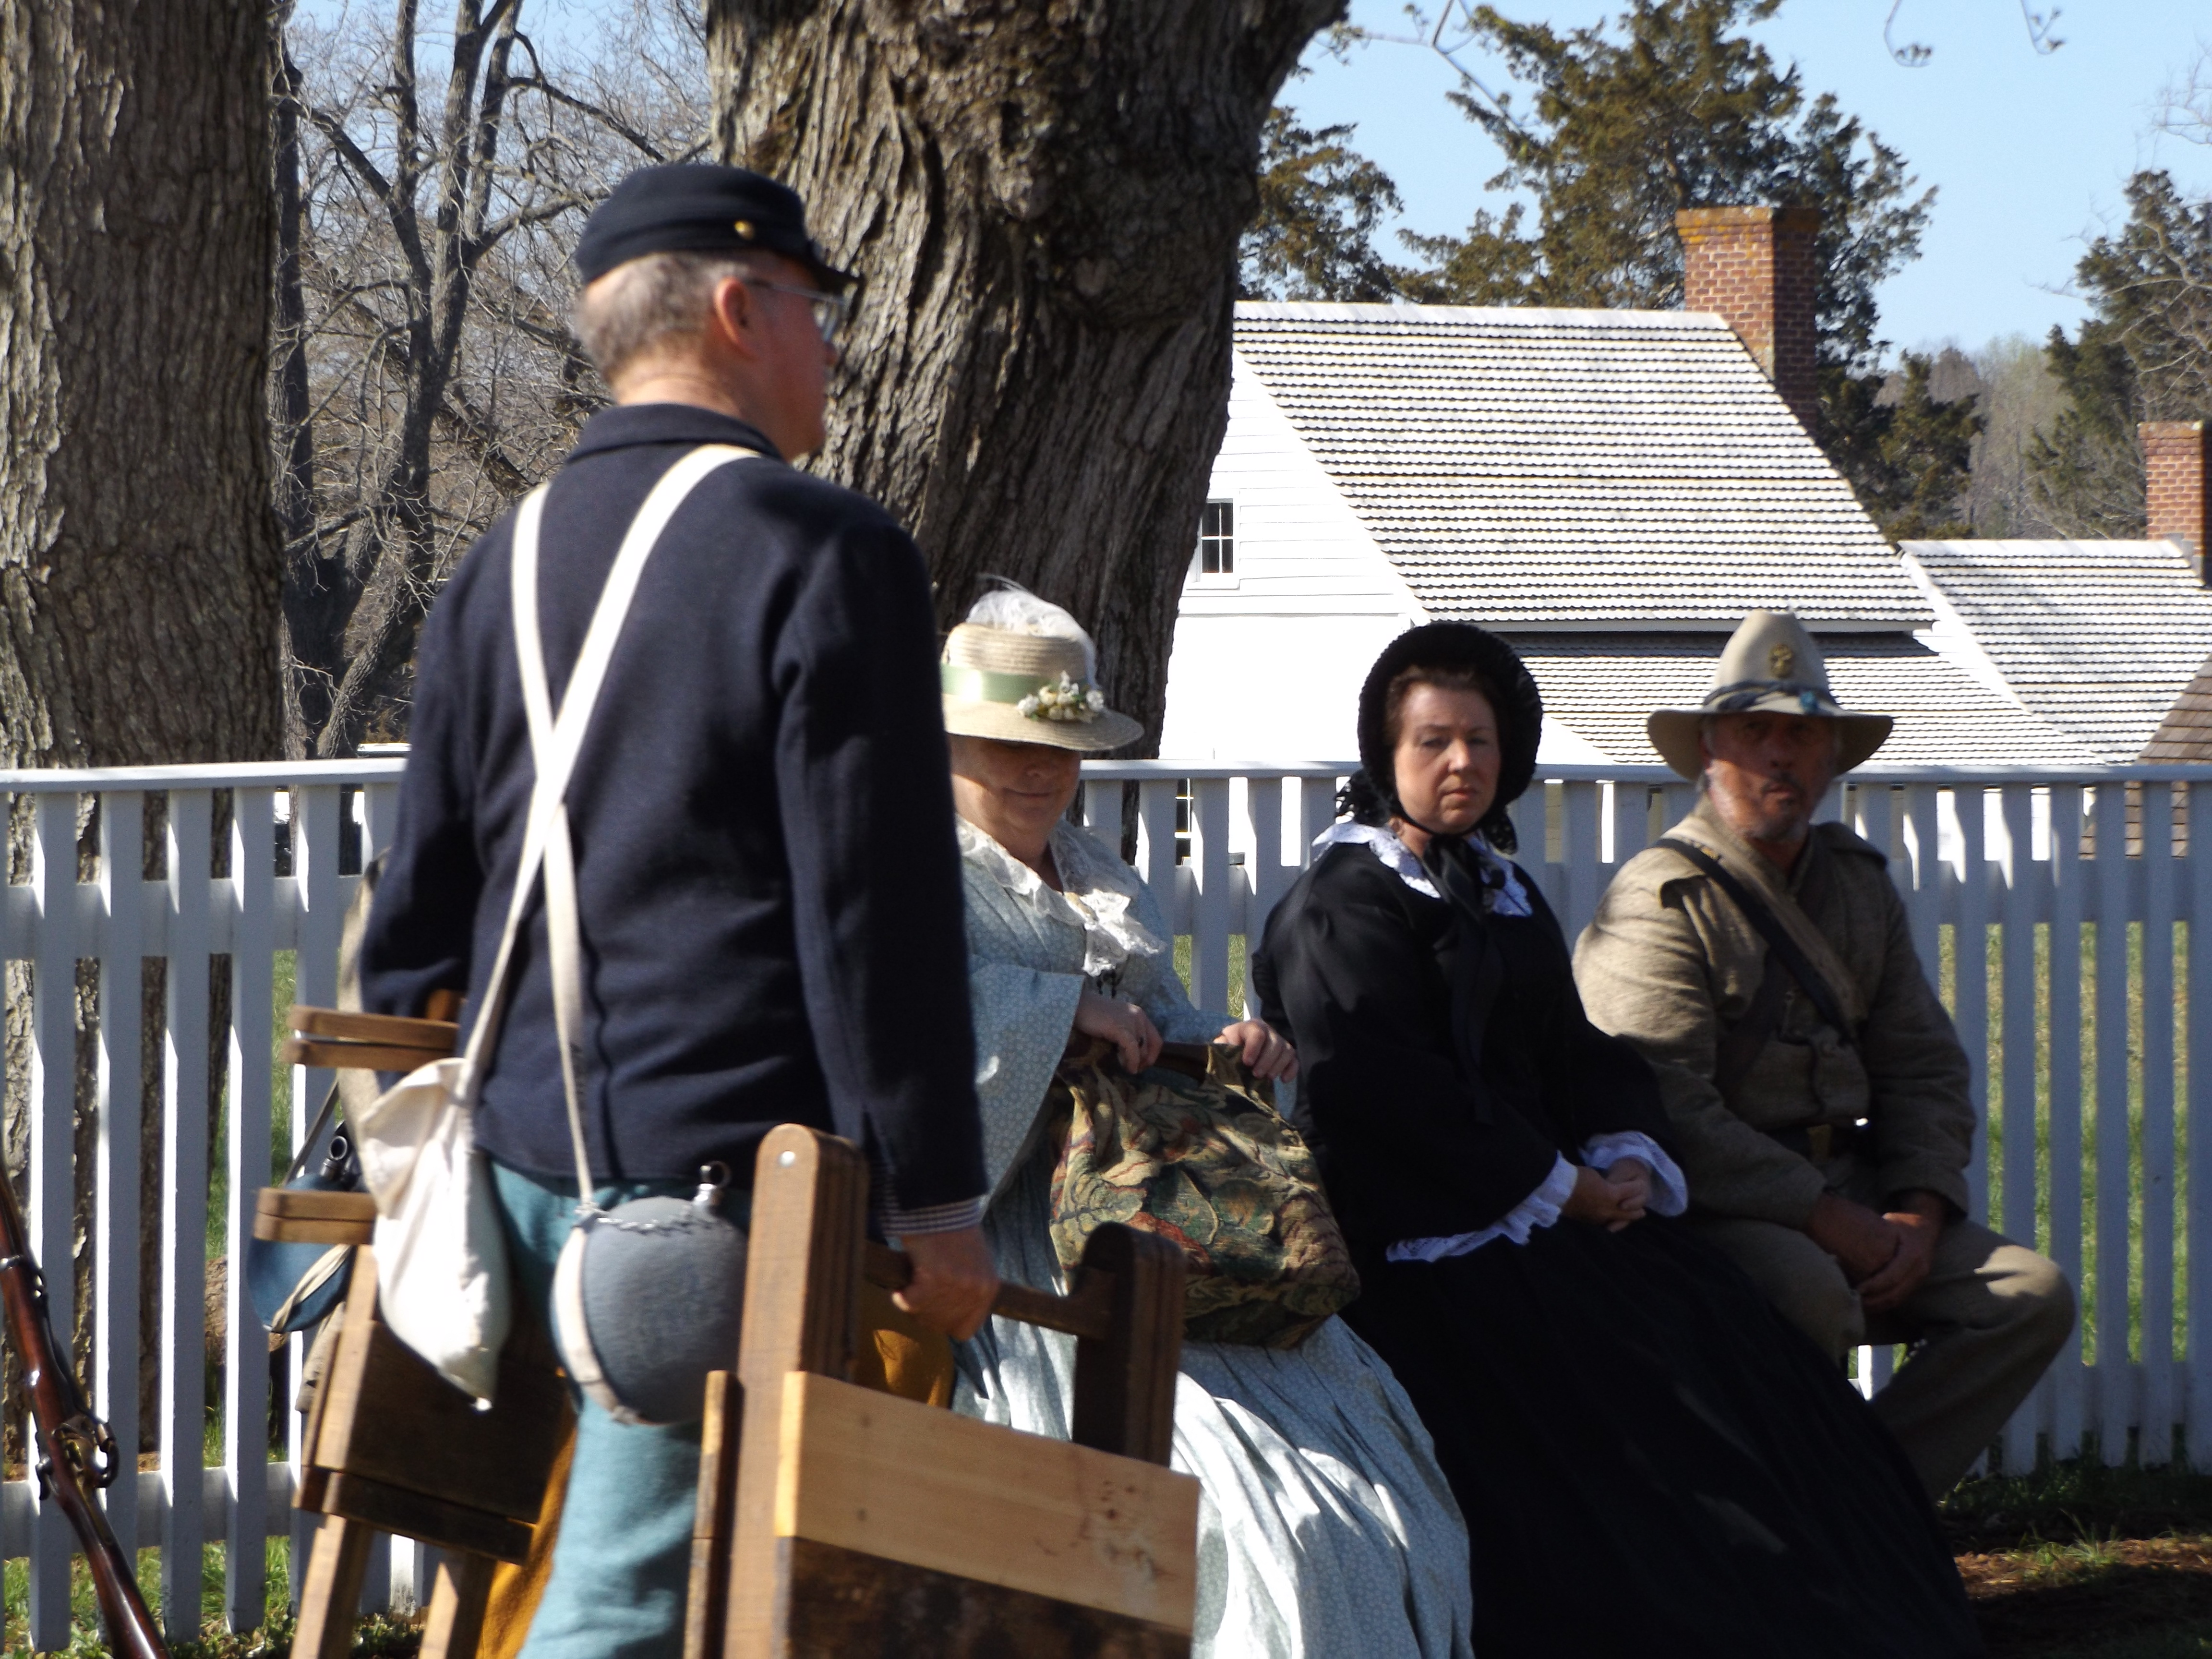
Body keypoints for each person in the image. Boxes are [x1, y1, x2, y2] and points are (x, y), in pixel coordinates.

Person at [357, 163, 998, 1658]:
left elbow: (417, 917)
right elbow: (875, 918)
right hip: (697, 1200)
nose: (831, 347)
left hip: (507, 1190)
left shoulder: (498, 562)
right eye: (815, 311)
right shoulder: (826, 551)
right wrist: (939, 1205)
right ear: (737, 310)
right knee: (631, 1616)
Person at [1252, 621, 1983, 1658]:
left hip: (1541, 1210)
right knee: (1614, 1404)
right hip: (1420, 1235)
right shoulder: (1345, 900)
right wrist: (1558, 1186)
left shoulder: (1498, 888)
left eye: (1481, 741)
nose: (1461, 763)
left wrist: (1623, 1151)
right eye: (1433, 742)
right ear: (1387, 754)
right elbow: (1383, 1088)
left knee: (1722, 1337)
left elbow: (1580, 1050)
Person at [943, 587, 1476, 1659]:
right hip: (1032, 1242)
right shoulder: (919, 877)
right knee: (1235, 1509)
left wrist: (1225, 1042)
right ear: (950, 742)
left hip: (1161, 1223)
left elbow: (1159, 1018)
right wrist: (1060, 1015)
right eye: (1011, 746)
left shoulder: (1098, 873)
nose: (1041, 770)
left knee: (1369, 1487)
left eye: (1061, 748)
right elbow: (902, 1040)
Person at [1574, 609, 2073, 1497]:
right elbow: (1664, 1105)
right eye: (1755, 732)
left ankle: (1872, 1508)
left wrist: (1919, 1212)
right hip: (1715, 1207)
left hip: (1857, 1189)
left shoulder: (1856, 885)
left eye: (1802, 734)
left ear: (1832, 754)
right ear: (1711, 750)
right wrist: (1824, 1216)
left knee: (2028, 1296)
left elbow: (1922, 1064)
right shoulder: (1662, 899)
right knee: (1809, 1291)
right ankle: (1808, 1528)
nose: (1781, 756)